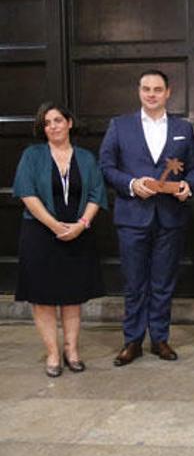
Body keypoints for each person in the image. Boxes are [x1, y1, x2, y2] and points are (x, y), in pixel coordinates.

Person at [99, 69, 194, 366]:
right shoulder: (120, 126)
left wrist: (187, 185)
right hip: (133, 217)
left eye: (157, 89)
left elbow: (193, 169)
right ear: (139, 91)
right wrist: (130, 185)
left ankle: (160, 339)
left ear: (168, 92)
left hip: (170, 217)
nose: (152, 94)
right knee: (134, 283)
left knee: (163, 282)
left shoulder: (183, 127)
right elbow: (105, 166)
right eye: (146, 89)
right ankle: (132, 341)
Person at [12, 102, 107, 377]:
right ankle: (53, 354)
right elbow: (27, 193)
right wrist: (55, 226)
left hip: (78, 234)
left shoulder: (87, 158)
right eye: (46, 123)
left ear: (69, 123)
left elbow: (97, 194)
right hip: (40, 235)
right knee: (42, 298)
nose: (52, 126)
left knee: (72, 297)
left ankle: (72, 350)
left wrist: (81, 224)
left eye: (57, 120)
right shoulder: (32, 155)